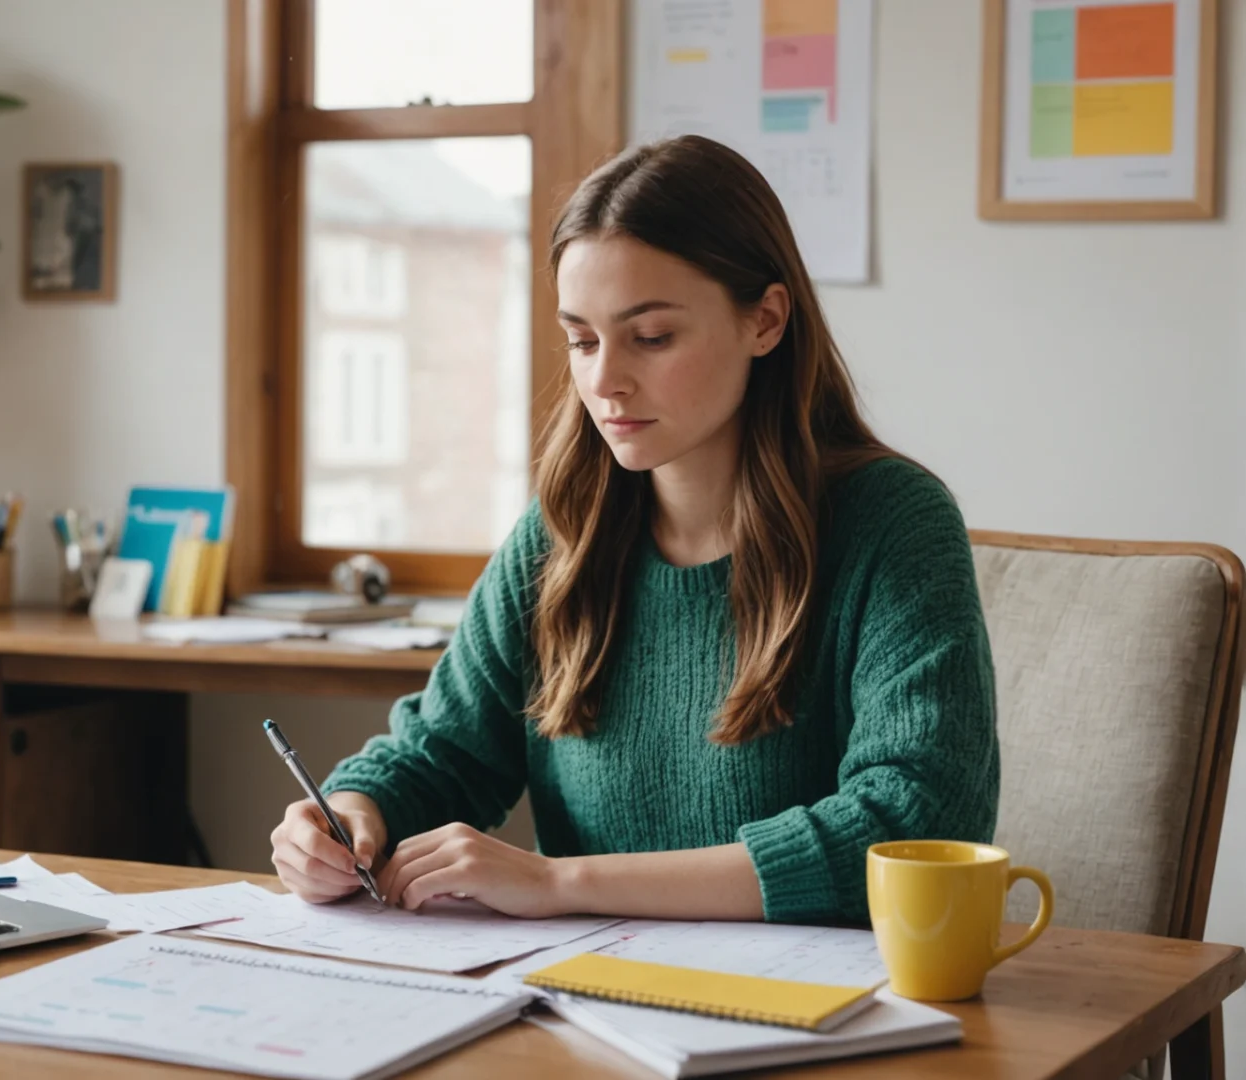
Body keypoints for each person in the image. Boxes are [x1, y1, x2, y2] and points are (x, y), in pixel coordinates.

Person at [270, 135, 998, 925]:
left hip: (827, 1011)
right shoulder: (561, 533)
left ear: (765, 319)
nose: (603, 379)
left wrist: (560, 884)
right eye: (581, 340)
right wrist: (349, 813)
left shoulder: (891, 523)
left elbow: (915, 823)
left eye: (650, 337)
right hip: (588, 999)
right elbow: (443, 753)